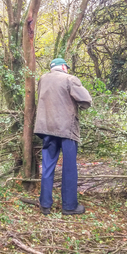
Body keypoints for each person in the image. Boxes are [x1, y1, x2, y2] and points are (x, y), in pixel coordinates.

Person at [34, 58, 92, 215]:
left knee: (47, 166)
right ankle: (69, 206)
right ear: (64, 67)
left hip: (46, 129)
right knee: (69, 168)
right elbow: (86, 100)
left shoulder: (43, 79)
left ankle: (45, 205)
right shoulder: (70, 79)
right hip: (67, 130)